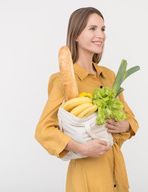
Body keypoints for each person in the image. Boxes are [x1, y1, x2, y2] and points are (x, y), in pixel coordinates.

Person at [35, 7, 139, 192]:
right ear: (76, 35)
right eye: (92, 28)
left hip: (116, 173)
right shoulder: (63, 79)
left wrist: (124, 126)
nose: (101, 35)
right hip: (86, 176)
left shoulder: (109, 76)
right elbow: (44, 130)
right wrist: (81, 148)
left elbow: (131, 119)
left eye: (103, 29)